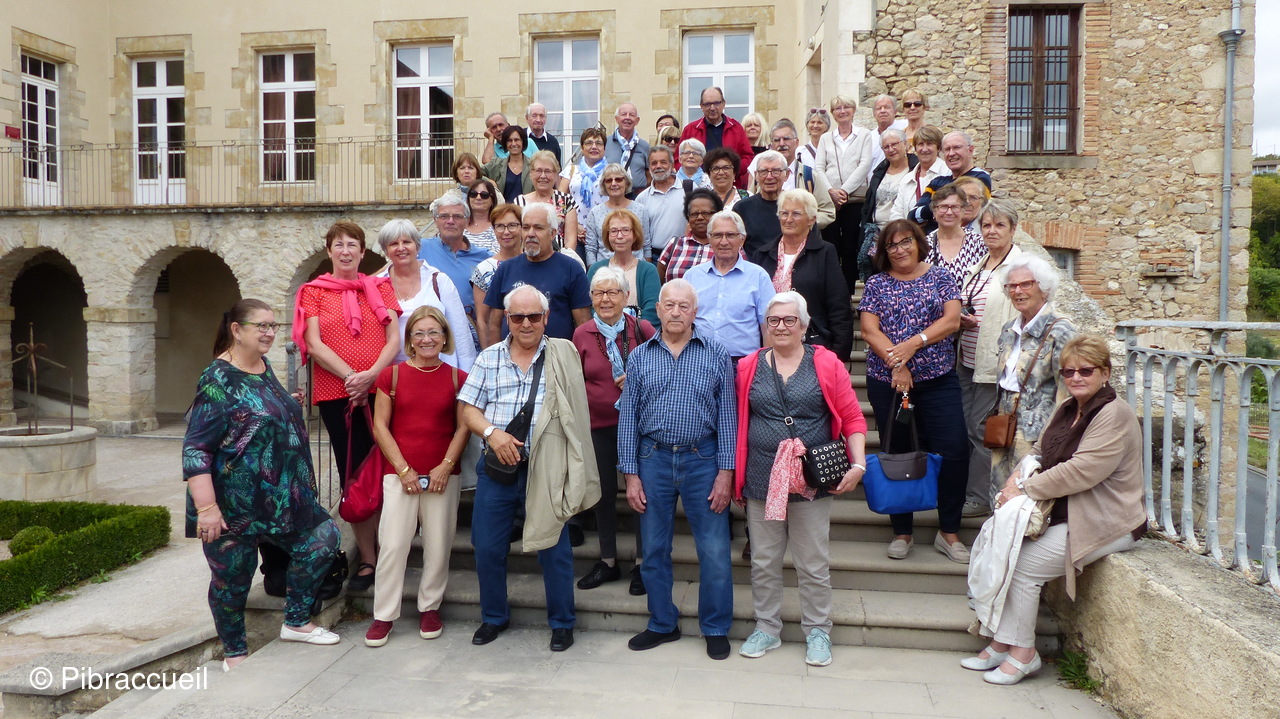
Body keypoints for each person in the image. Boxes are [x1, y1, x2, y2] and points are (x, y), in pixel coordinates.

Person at [965, 335, 1144, 685]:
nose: (1076, 377)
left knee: (1024, 565)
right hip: (1067, 511)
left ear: (1105, 373)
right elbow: (1039, 451)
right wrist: (1014, 478)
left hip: (1107, 519)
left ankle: (1024, 654)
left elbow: (1082, 471)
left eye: (1086, 371)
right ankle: (1002, 642)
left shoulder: (1114, 414)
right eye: (1068, 372)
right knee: (1007, 550)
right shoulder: (1069, 408)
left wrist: (1024, 489)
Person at [186, 299, 341, 670]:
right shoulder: (217, 378)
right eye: (262, 326)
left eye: (273, 325)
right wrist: (207, 509)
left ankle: (296, 621)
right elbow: (197, 447)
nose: (270, 332)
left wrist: (286, 403)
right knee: (232, 579)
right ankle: (235, 653)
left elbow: (252, 413)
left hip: (282, 496)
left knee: (323, 539)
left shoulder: (263, 365)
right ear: (236, 330)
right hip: (234, 503)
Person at [458, 284, 601, 652]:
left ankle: (563, 623)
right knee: (487, 547)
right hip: (498, 470)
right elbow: (468, 410)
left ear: (546, 318)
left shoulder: (563, 354)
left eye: (533, 316)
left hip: (547, 469)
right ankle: (494, 617)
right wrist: (492, 434)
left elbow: (576, 413)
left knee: (554, 548)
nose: (526, 323)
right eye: (518, 316)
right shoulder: (489, 358)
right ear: (507, 318)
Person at [732, 292, 868, 667]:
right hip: (762, 477)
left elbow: (853, 418)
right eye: (773, 320)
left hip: (811, 480)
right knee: (764, 560)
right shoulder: (748, 366)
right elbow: (738, 418)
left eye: (789, 320)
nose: (781, 326)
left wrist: (858, 465)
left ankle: (818, 631)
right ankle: (767, 627)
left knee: (812, 562)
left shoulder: (825, 363)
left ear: (805, 326)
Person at [619, 279, 737, 660]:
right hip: (652, 459)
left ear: (695, 312)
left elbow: (728, 416)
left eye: (684, 306)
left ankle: (715, 626)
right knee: (654, 549)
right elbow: (628, 419)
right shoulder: (640, 357)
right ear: (658, 310)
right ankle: (662, 622)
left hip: (703, 459)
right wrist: (630, 474)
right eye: (669, 305)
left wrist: (726, 472)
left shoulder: (716, 353)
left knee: (714, 550)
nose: (675, 312)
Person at [294, 221, 401, 591]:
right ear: (329, 251)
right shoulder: (313, 291)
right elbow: (314, 343)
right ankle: (369, 558)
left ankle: (392, 551)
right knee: (354, 472)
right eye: (338, 244)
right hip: (337, 394)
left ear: (362, 251)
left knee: (388, 468)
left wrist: (370, 376)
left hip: (380, 389)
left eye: (352, 244)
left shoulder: (380, 286)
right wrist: (352, 377)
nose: (345, 251)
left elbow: (393, 338)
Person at [858, 219, 968, 563]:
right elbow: (869, 331)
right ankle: (902, 532)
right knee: (898, 451)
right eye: (891, 245)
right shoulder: (876, 284)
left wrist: (913, 344)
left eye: (906, 241)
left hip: (938, 379)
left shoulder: (941, 277)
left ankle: (948, 531)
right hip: (889, 383)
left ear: (919, 242)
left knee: (954, 450)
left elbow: (951, 321)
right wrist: (898, 364)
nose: (899, 249)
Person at [364, 306, 470, 647]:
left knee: (438, 545)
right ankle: (384, 614)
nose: (427, 339)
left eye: (434, 332)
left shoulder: (458, 378)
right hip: (399, 475)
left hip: (443, 476)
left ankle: (430, 608)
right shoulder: (391, 376)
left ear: (444, 337)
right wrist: (404, 470)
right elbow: (380, 427)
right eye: (419, 333)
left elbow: (464, 427)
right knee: (393, 545)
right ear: (409, 339)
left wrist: (446, 465)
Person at [572, 266, 656, 594]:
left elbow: (664, 371)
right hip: (598, 427)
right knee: (603, 494)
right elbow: (576, 382)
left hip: (639, 427)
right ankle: (607, 560)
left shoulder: (642, 329)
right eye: (598, 293)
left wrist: (637, 380)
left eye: (612, 292)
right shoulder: (582, 334)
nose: (605, 299)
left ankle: (642, 563)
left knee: (640, 495)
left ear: (626, 296)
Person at [989, 254, 1078, 507]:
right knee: (998, 492)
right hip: (1004, 423)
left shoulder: (1060, 331)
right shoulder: (1009, 329)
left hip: (1037, 430)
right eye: (1012, 286)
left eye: (1026, 284)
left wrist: (1058, 435)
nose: (1018, 291)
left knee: (1024, 497)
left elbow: (1068, 392)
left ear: (1044, 288)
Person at [956, 200, 1023, 517]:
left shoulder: (1019, 268)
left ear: (1013, 229)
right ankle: (968, 490)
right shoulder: (980, 264)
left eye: (999, 225)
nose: (991, 231)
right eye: (986, 225)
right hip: (966, 358)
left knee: (980, 429)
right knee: (965, 427)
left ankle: (981, 496)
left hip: (994, 363)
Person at [750, 189, 853, 361]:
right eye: (784, 213)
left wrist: (838, 355)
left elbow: (839, 306)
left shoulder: (825, 252)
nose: (788, 219)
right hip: (768, 348)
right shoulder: (762, 254)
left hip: (812, 347)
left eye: (796, 214)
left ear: (812, 219)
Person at [372, 219, 476, 372]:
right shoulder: (376, 285)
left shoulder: (438, 280)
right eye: (394, 244)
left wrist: (465, 377)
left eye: (406, 242)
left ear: (417, 245)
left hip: (438, 370)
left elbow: (461, 334)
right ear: (386, 251)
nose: (401, 248)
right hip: (393, 373)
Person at [483, 202, 591, 342]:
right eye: (526, 227)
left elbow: (583, 324)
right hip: (512, 354)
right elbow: (494, 324)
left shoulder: (571, 269)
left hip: (557, 354)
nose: (530, 234)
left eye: (538, 228)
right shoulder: (505, 269)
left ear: (552, 233)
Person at [685, 210, 776, 362]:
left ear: (742, 239)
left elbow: (768, 328)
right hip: (698, 361)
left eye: (730, 235)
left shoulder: (758, 276)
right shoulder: (692, 276)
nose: (724, 241)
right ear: (709, 238)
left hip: (742, 363)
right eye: (717, 235)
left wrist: (765, 367)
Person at [815, 95, 874, 289]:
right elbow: (819, 167)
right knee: (831, 245)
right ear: (833, 114)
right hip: (830, 200)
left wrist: (844, 191)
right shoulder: (826, 138)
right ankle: (832, 289)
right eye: (837, 108)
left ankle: (847, 291)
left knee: (850, 247)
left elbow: (864, 165)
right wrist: (830, 191)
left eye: (846, 107)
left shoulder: (864, 135)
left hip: (855, 199)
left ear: (853, 110)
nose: (842, 111)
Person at [418, 191, 493, 339]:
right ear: (435, 220)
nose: (450, 221)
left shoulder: (484, 257)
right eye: (444, 216)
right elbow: (389, 271)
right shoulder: (420, 249)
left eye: (457, 216)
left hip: (469, 332)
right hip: (429, 334)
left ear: (467, 221)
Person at [734, 150, 821, 257]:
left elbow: (815, 244)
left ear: (787, 174)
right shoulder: (742, 208)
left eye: (776, 171)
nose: (769, 177)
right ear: (756, 175)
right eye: (764, 171)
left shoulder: (800, 206)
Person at [859, 128, 916, 282]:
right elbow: (870, 204)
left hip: (903, 234)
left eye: (894, 144)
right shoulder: (879, 172)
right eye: (886, 147)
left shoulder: (915, 170)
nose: (891, 149)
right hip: (877, 235)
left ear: (905, 144)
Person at [909, 131, 993, 232]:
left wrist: (934, 209)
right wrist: (939, 209)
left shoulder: (980, 178)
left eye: (957, 147)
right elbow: (913, 216)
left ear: (970, 150)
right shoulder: (936, 182)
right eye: (947, 149)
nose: (951, 153)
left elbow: (967, 213)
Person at [587, 209, 660, 324]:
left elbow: (651, 312)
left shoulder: (648, 271)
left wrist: (630, 331)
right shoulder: (596, 269)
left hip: (639, 332)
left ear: (635, 235)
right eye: (614, 231)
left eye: (626, 230)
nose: (619, 236)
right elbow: (590, 308)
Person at [472, 205, 524, 349]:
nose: (506, 232)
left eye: (512, 225)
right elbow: (482, 320)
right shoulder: (484, 269)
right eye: (500, 226)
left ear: (522, 227)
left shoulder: (534, 264)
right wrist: (488, 354)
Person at [680, 86, 754, 188]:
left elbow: (748, 157)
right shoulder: (690, 129)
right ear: (701, 106)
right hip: (697, 187)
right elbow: (678, 159)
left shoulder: (736, 128)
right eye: (707, 104)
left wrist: (731, 170)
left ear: (723, 104)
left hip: (729, 186)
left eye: (716, 103)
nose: (712, 108)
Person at [584, 163, 652, 264]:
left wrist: (646, 269)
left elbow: (646, 245)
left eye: (618, 179)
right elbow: (591, 248)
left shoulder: (641, 210)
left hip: (636, 267)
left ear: (626, 183)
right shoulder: (595, 213)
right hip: (605, 269)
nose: (614, 183)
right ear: (604, 185)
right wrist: (594, 270)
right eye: (609, 180)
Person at [559, 126, 610, 255]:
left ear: (604, 148)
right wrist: (575, 227)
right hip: (576, 233)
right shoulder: (571, 171)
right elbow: (560, 202)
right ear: (582, 148)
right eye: (589, 143)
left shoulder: (612, 172)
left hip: (605, 234)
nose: (594, 147)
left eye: (599, 143)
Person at [517, 150, 579, 253]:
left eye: (548, 171)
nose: (543, 176)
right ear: (531, 174)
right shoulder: (519, 202)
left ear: (555, 175)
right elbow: (517, 241)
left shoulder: (567, 200)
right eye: (538, 171)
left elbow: (571, 241)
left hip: (559, 258)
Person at [656, 188, 723, 282]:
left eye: (705, 213)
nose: (700, 217)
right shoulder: (675, 244)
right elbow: (659, 280)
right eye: (694, 214)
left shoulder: (727, 245)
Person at [635, 145, 687, 263]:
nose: (658, 166)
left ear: (672, 165)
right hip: (655, 258)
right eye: (654, 163)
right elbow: (640, 234)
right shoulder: (642, 198)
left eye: (663, 162)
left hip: (684, 255)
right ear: (649, 167)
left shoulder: (689, 188)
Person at [924, 183, 986, 282]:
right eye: (943, 207)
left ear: (963, 210)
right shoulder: (924, 245)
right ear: (934, 211)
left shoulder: (979, 243)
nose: (949, 212)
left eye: (955, 207)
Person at [890, 125, 947, 222]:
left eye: (929, 144)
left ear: (938, 148)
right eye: (920, 144)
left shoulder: (947, 173)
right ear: (915, 148)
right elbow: (897, 212)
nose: (924, 149)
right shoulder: (907, 179)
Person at [605, 102, 650, 196]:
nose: (627, 118)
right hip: (611, 196)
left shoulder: (644, 146)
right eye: (624, 114)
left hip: (637, 197)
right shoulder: (605, 143)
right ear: (617, 119)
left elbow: (649, 173)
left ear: (637, 120)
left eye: (632, 115)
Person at [483, 125, 533, 203]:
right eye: (509, 140)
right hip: (503, 209)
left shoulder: (534, 165)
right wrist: (488, 181)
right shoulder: (496, 164)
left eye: (516, 140)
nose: (513, 143)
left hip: (527, 209)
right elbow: (476, 172)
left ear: (523, 141)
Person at [867, 95, 909, 181]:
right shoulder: (869, 137)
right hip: (876, 183)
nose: (882, 111)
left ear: (895, 111)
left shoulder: (906, 127)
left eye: (887, 107)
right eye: (879, 108)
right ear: (874, 114)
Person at [463, 178, 500, 254]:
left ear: (492, 200)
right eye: (473, 194)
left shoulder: (499, 226)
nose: (478, 198)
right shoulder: (459, 224)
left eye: (484, 195)